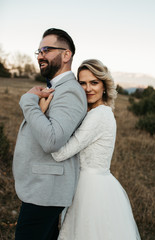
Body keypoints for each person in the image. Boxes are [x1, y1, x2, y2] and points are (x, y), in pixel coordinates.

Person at [40, 59, 141, 240]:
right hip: (94, 183)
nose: (88, 88)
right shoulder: (98, 111)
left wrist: (43, 117)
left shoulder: (99, 115)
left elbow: (60, 153)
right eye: (83, 83)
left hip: (90, 190)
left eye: (94, 82)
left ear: (104, 85)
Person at [13, 28, 87, 240]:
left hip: (46, 191)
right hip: (41, 188)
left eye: (46, 49)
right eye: (38, 51)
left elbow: (52, 140)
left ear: (66, 55)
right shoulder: (56, 88)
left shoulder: (70, 91)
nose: (40, 56)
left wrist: (27, 102)